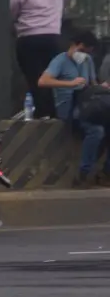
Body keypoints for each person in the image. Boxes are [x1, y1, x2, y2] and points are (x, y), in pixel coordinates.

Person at [11, 0, 79, 119]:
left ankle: (42, 113)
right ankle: (55, 113)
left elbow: (12, 15)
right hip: (52, 39)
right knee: (53, 77)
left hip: (28, 39)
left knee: (34, 77)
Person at [38, 29, 108, 187]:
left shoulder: (87, 61)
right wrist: (70, 83)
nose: (83, 55)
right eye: (82, 51)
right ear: (76, 46)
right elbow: (43, 81)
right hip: (70, 107)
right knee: (96, 131)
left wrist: (101, 87)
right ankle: (83, 174)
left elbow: (91, 84)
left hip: (88, 103)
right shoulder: (60, 60)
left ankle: (106, 173)